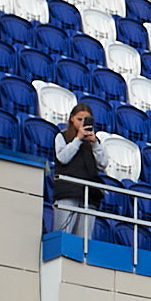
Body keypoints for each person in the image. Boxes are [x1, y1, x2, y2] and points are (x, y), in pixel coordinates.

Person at [52, 99, 103, 231]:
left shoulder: (93, 142)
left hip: (88, 195)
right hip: (68, 192)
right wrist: (78, 139)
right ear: (72, 119)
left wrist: (95, 144)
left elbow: (103, 164)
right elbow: (63, 158)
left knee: (83, 239)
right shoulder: (62, 136)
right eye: (79, 119)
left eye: (86, 120)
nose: (82, 123)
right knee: (64, 233)